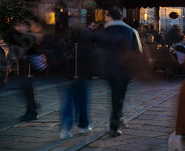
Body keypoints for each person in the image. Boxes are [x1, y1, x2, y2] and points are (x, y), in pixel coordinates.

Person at [98, 7, 142, 137]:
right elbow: (138, 51)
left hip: (107, 69)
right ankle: (114, 126)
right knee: (118, 97)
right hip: (123, 70)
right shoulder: (130, 31)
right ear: (121, 17)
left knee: (115, 96)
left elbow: (98, 51)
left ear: (110, 17)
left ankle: (118, 118)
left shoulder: (104, 31)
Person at [60, 22, 98, 139]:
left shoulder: (67, 41)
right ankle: (84, 125)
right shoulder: (89, 40)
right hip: (82, 73)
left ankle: (65, 127)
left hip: (67, 74)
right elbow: (93, 57)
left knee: (68, 102)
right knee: (82, 101)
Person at [9, 19, 42, 122]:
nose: (20, 27)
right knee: (26, 91)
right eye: (19, 25)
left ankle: (32, 111)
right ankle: (32, 109)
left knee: (28, 91)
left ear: (27, 28)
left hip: (29, 69)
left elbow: (32, 52)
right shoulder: (19, 37)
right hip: (23, 69)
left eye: (22, 26)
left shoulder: (30, 38)